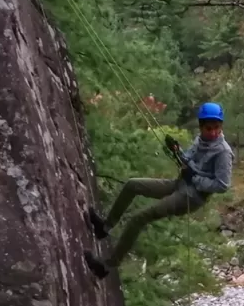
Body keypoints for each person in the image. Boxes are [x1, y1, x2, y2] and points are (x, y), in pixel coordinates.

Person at [84, 102, 234, 278]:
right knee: (132, 185)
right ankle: (105, 227)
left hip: (191, 197)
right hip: (179, 184)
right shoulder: (200, 140)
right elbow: (187, 161)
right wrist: (176, 151)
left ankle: (106, 266)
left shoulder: (223, 152)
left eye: (217, 128)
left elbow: (222, 185)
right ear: (201, 127)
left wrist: (194, 178)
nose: (214, 132)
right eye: (209, 128)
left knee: (139, 218)